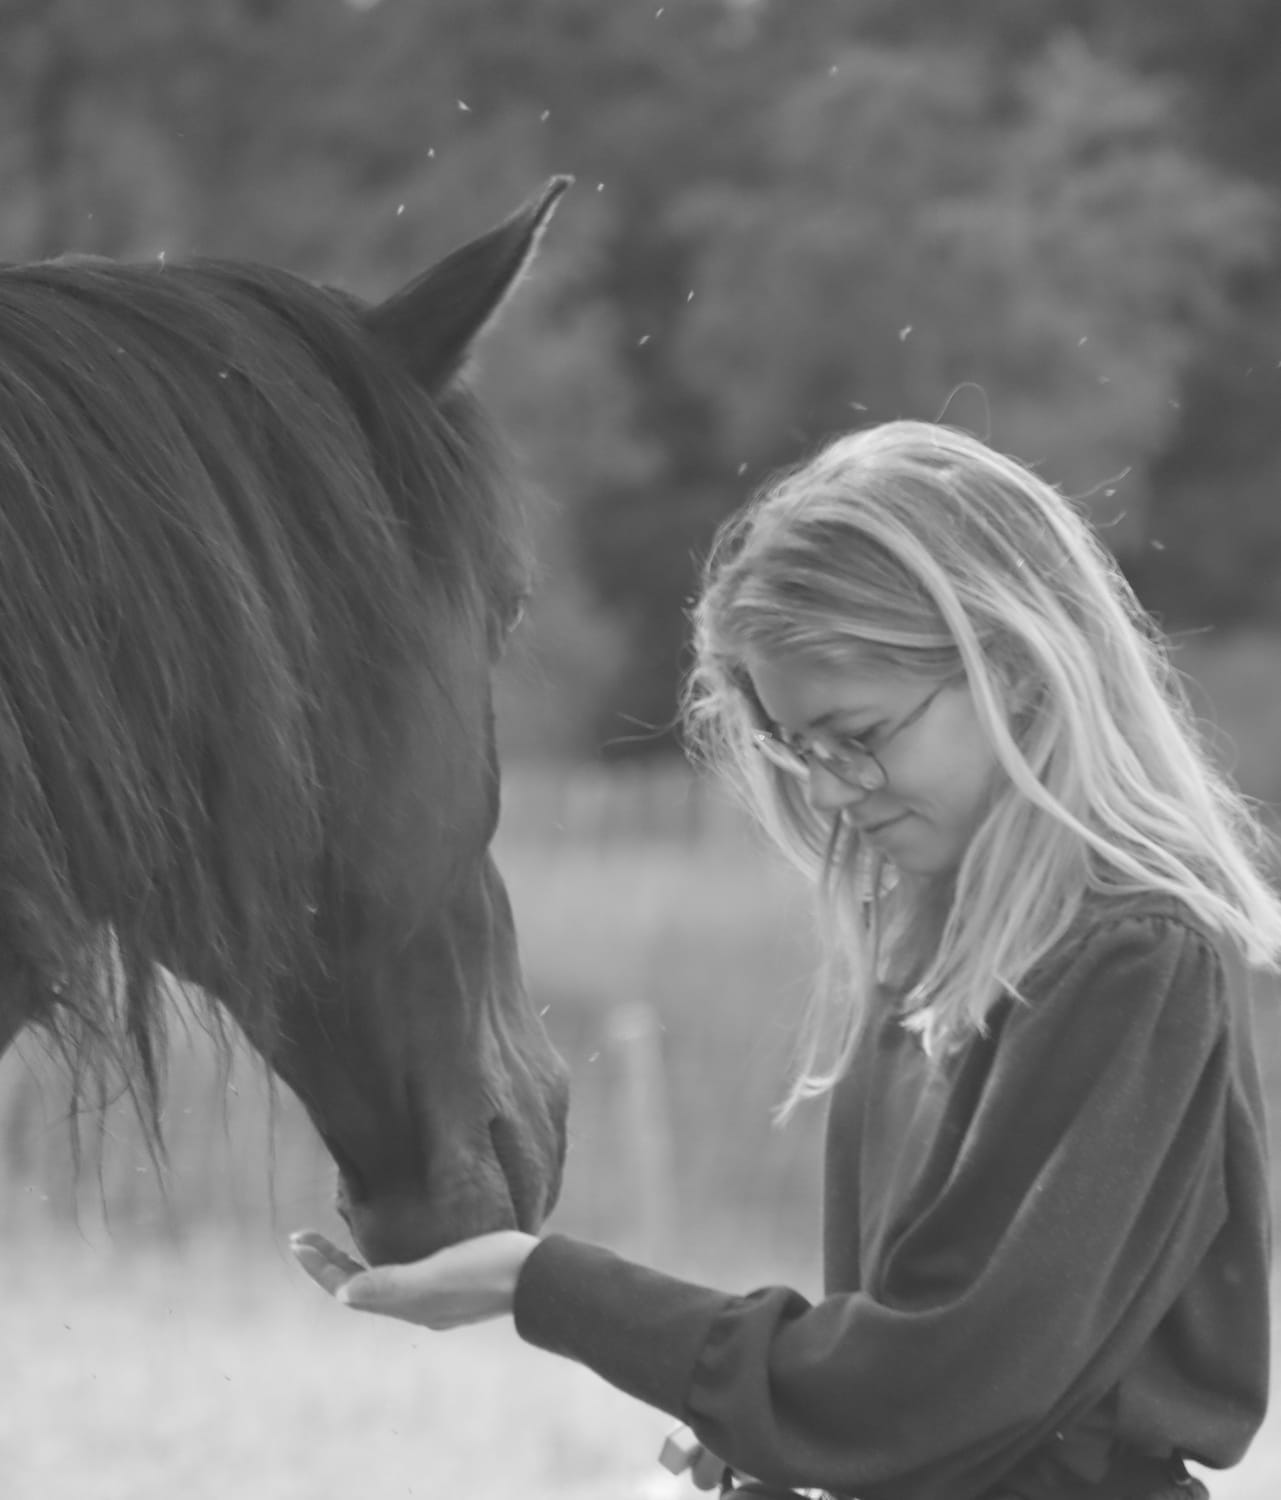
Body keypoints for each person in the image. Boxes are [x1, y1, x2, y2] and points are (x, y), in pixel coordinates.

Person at [291, 420, 1281, 1500]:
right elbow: (905, 1397)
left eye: (860, 734)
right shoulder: (934, 953)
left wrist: (545, 1285)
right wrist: (772, 1443)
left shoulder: (1133, 964)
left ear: (1016, 667)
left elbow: (930, 1394)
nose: (828, 789)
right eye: (799, 748)